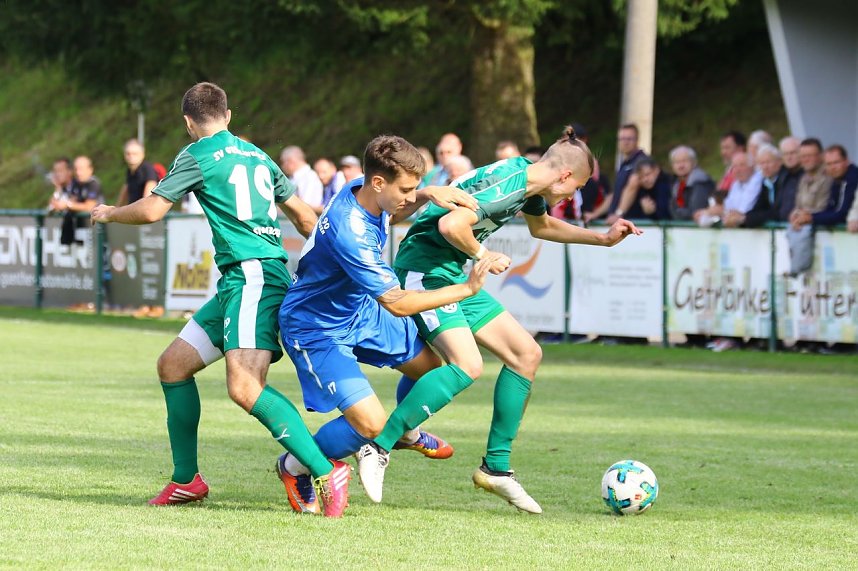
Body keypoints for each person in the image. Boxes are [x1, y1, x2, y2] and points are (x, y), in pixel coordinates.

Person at [91, 82, 351, 517]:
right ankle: (185, 480)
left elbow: (154, 210)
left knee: (245, 387)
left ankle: (324, 471)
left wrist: (110, 213)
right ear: (228, 116)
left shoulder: (195, 154)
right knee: (173, 366)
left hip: (252, 277)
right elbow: (307, 218)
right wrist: (341, 265)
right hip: (247, 279)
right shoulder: (258, 155)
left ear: (189, 122)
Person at [358, 126, 642, 513]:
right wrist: (483, 255)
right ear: (564, 177)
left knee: (527, 354)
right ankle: (378, 447)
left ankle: (496, 468)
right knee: (467, 365)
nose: (574, 195)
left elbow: (540, 227)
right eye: (578, 187)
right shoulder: (509, 184)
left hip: (453, 271)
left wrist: (602, 239)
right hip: (424, 271)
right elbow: (450, 225)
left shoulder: (526, 179)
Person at [275, 135, 494, 513]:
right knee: (372, 425)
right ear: (379, 183)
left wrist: (426, 194)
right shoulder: (351, 232)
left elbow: (394, 210)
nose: (410, 195)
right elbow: (398, 302)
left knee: (428, 368)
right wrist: (466, 288)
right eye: (406, 189)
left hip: (358, 311)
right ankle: (295, 466)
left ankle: (406, 430)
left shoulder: (361, 188)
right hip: (317, 328)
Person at [588, 124, 647, 223]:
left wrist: (619, 214)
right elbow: (614, 194)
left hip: (635, 223)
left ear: (637, 140)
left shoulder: (641, 161)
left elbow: (632, 187)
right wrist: (595, 214)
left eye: (629, 139)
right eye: (622, 139)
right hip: (623, 222)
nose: (625, 142)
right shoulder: (624, 163)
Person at [694, 151, 762, 227]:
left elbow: (743, 210)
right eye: (734, 166)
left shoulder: (758, 180)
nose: (737, 170)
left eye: (742, 165)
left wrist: (721, 211)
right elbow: (729, 205)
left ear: (752, 166)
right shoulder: (737, 183)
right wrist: (710, 211)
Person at [738, 144, 790, 227]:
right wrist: (742, 217)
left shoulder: (787, 179)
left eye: (768, 162)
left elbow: (778, 212)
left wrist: (744, 218)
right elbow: (758, 208)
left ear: (779, 162)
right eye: (762, 163)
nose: (765, 167)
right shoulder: (766, 182)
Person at [667, 145, 714, 221]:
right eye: (677, 162)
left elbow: (696, 213)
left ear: (694, 162)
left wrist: (678, 211)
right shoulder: (676, 184)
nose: (681, 165)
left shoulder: (700, 182)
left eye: (684, 161)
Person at [280, 145, 324, 214]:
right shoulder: (295, 178)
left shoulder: (309, 177)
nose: (282, 166)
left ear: (291, 161)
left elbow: (304, 206)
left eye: (283, 162)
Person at [117, 139, 159, 206]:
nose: (131, 157)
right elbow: (125, 192)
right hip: (133, 210)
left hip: (143, 211)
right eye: (128, 154)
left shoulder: (147, 169)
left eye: (135, 154)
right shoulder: (130, 171)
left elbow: (148, 200)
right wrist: (116, 210)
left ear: (142, 154)